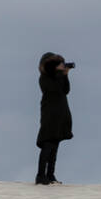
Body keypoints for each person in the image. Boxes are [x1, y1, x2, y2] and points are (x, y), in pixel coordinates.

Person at [36, 52, 73, 184]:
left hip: (61, 113)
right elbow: (54, 89)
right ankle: (40, 175)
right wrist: (60, 75)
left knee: (55, 144)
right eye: (59, 64)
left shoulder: (59, 77)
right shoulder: (45, 78)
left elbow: (66, 90)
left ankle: (50, 175)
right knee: (48, 143)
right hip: (50, 114)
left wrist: (65, 75)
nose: (62, 66)